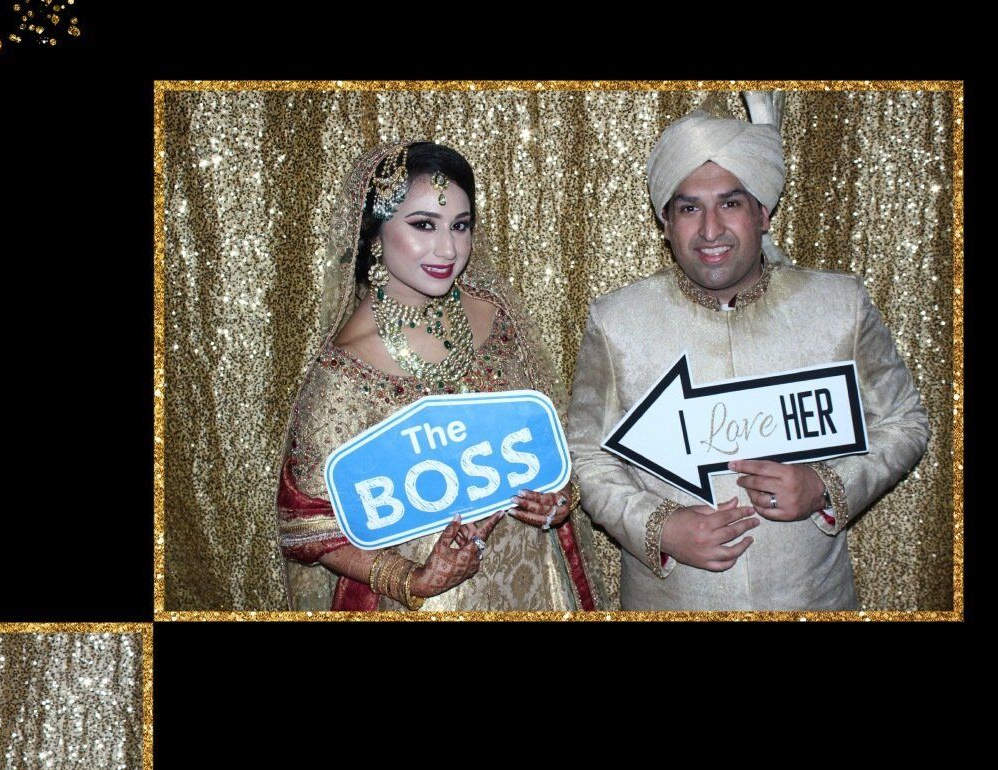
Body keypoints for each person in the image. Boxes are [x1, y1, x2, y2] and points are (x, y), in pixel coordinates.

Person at [566, 95, 930, 609]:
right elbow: (585, 453)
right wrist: (659, 527)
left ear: (762, 212)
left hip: (812, 599)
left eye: (730, 204)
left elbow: (905, 422)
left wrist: (825, 486)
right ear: (665, 223)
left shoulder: (837, 304)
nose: (710, 231)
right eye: (689, 208)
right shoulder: (617, 321)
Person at [277, 141, 601, 611]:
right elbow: (305, 524)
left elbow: (545, 438)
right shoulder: (345, 369)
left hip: (535, 581)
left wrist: (557, 495)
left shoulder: (494, 313)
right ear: (374, 232)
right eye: (424, 225)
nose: (448, 248)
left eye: (460, 226)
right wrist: (412, 580)